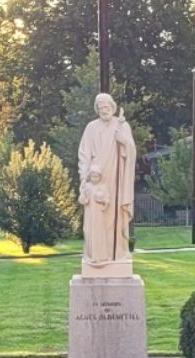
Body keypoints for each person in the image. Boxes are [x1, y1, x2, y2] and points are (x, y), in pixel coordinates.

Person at [77, 93, 136, 271]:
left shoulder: (122, 125)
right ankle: (96, 254)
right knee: (95, 221)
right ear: (97, 110)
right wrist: (83, 178)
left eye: (107, 107)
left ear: (113, 107)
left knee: (116, 216)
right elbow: (84, 154)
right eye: (101, 108)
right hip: (96, 179)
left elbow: (131, 150)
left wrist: (123, 140)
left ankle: (118, 253)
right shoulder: (91, 128)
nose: (104, 110)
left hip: (116, 179)